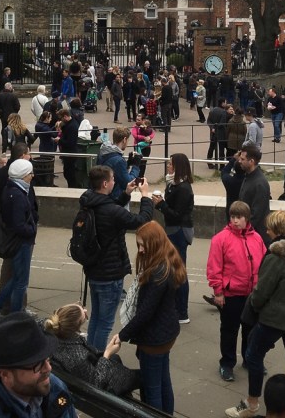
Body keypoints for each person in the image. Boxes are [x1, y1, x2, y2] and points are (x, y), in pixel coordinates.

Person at [225, 211, 285, 418]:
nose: (266, 231)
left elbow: (261, 292)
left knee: (253, 355)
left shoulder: (277, 255)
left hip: (274, 316)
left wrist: (255, 306)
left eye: (269, 228)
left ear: (277, 230)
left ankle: (251, 404)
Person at [77, 165, 153, 353]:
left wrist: (126, 193)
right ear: (105, 183)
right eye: (112, 179)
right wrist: (146, 197)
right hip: (110, 274)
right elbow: (141, 221)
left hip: (94, 269)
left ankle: (90, 353)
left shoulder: (89, 202)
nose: (114, 182)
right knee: (105, 323)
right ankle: (97, 360)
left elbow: (111, 210)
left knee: (96, 318)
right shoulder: (109, 210)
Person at [118, 221, 186, 414]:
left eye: (142, 244)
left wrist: (121, 336)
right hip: (167, 334)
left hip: (154, 339)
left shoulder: (158, 273)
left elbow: (145, 313)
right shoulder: (168, 261)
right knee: (164, 381)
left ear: (154, 243)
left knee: (152, 389)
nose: (140, 250)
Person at [0, 311, 78, 418]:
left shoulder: (55, 387)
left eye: (47, 359)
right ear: (5, 375)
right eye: (37, 365)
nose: (48, 368)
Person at [206, 200, 268, 380]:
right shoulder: (220, 239)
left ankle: (249, 360)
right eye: (232, 217)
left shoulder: (256, 238)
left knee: (251, 330)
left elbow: (263, 264)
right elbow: (214, 267)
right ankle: (227, 363)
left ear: (247, 218)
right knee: (229, 331)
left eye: (239, 217)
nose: (235, 221)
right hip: (231, 294)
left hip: (251, 294)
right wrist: (218, 291)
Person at [44, 303, 140, 395]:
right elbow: (97, 383)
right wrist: (107, 353)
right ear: (76, 327)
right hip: (101, 387)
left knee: (115, 358)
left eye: (80, 305)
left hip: (90, 373)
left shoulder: (54, 335)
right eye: (84, 314)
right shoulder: (77, 356)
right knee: (144, 377)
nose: (85, 310)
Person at [0, 159, 38, 318]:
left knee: (16, 278)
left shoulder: (10, 190)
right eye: (30, 174)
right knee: (21, 282)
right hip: (20, 243)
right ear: (23, 176)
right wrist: (32, 230)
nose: (32, 176)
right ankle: (15, 317)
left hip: (15, 241)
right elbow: (19, 225)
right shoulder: (18, 196)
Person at [153, 153, 194, 323]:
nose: (168, 166)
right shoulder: (173, 184)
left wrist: (161, 204)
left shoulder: (183, 188)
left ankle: (181, 312)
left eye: (170, 164)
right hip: (173, 229)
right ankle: (174, 306)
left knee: (179, 270)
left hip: (178, 230)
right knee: (173, 269)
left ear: (177, 167)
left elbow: (177, 214)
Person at [237, 142, 271, 243]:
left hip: (256, 237)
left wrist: (242, 231)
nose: (239, 161)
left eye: (242, 159)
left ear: (251, 161)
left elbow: (256, 214)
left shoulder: (260, 184)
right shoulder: (249, 176)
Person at [96, 127, 139, 201]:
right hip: (115, 198)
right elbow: (128, 183)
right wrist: (136, 166)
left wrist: (128, 163)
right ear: (124, 139)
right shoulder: (119, 160)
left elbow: (117, 172)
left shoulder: (104, 152)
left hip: (102, 195)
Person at [57, 108, 81, 188]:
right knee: (68, 174)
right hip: (69, 154)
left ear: (65, 116)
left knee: (70, 175)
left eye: (61, 119)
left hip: (70, 154)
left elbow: (70, 143)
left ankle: (73, 189)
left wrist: (59, 140)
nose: (61, 121)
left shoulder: (72, 126)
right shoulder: (71, 123)